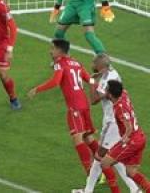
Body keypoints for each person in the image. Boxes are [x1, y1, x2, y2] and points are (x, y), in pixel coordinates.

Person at [28, 39, 110, 180]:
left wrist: (37, 89)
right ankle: (107, 168)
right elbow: (90, 79)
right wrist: (100, 90)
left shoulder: (60, 63)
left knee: (78, 140)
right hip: (84, 104)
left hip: (75, 107)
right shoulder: (76, 63)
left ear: (60, 50)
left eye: (52, 48)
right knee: (88, 137)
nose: (50, 51)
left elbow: (55, 82)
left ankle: (92, 174)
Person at [78, 54, 139, 192]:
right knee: (113, 157)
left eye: (94, 63)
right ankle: (135, 189)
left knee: (99, 156)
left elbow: (94, 100)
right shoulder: (112, 72)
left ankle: (88, 190)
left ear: (100, 65)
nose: (92, 65)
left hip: (112, 122)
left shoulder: (107, 79)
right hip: (117, 120)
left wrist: (92, 81)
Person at [82, 81, 150, 191]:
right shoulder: (123, 94)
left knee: (104, 162)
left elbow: (129, 127)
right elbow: (120, 90)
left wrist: (124, 138)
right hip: (140, 137)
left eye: (106, 89)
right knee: (131, 172)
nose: (105, 91)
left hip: (132, 141)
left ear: (110, 94)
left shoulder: (119, 108)